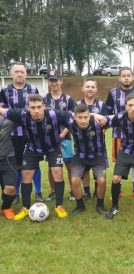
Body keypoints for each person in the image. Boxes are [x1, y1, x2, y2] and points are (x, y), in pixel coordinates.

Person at [0, 94, 70, 220]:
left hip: (53, 148)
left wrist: (63, 134)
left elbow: (75, 118)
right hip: (33, 148)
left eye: (39, 107)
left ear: (44, 106)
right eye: (33, 107)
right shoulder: (21, 114)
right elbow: (2, 110)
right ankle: (25, 208)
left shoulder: (55, 114)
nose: (36, 111)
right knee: (26, 174)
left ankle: (59, 206)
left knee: (57, 172)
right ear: (28, 107)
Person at [0, 62, 43, 203]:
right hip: (12, 135)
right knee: (16, 164)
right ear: (11, 74)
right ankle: (16, 194)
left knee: (34, 163)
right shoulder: (5, 91)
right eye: (16, 71)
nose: (19, 74)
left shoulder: (33, 89)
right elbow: (2, 112)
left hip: (31, 133)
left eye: (22, 72)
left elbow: (38, 110)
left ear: (26, 74)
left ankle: (38, 193)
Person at [106, 66, 134, 200]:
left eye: (128, 75)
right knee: (120, 163)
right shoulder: (112, 93)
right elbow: (108, 113)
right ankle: (118, 191)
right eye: (123, 75)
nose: (126, 78)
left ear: (133, 77)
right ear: (119, 78)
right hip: (119, 135)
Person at [68, 104, 108, 216]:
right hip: (79, 157)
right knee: (75, 180)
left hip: (97, 156)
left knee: (102, 181)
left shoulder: (99, 123)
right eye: (80, 117)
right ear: (74, 117)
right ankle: (80, 205)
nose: (83, 120)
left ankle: (100, 205)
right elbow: (52, 111)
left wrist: (96, 115)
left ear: (89, 117)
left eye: (86, 117)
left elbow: (117, 117)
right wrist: (92, 113)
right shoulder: (70, 123)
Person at [43, 70, 75, 202]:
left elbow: (72, 120)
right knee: (51, 166)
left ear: (61, 81)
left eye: (56, 80)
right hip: (49, 140)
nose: (54, 83)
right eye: (51, 80)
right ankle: (53, 192)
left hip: (65, 137)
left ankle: (73, 191)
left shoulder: (68, 100)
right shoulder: (44, 99)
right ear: (48, 82)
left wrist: (62, 134)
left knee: (69, 165)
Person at [77, 78, 107, 200]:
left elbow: (105, 124)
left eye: (92, 87)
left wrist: (96, 133)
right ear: (83, 88)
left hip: (98, 144)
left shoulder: (101, 105)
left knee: (97, 170)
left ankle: (96, 192)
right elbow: (73, 121)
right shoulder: (77, 105)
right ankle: (87, 192)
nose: (90, 89)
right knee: (84, 171)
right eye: (87, 86)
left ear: (96, 90)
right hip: (81, 144)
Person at [0, 115, 18, 219]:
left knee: (10, 188)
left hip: (7, 159)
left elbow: (22, 116)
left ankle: (5, 208)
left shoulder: (7, 121)